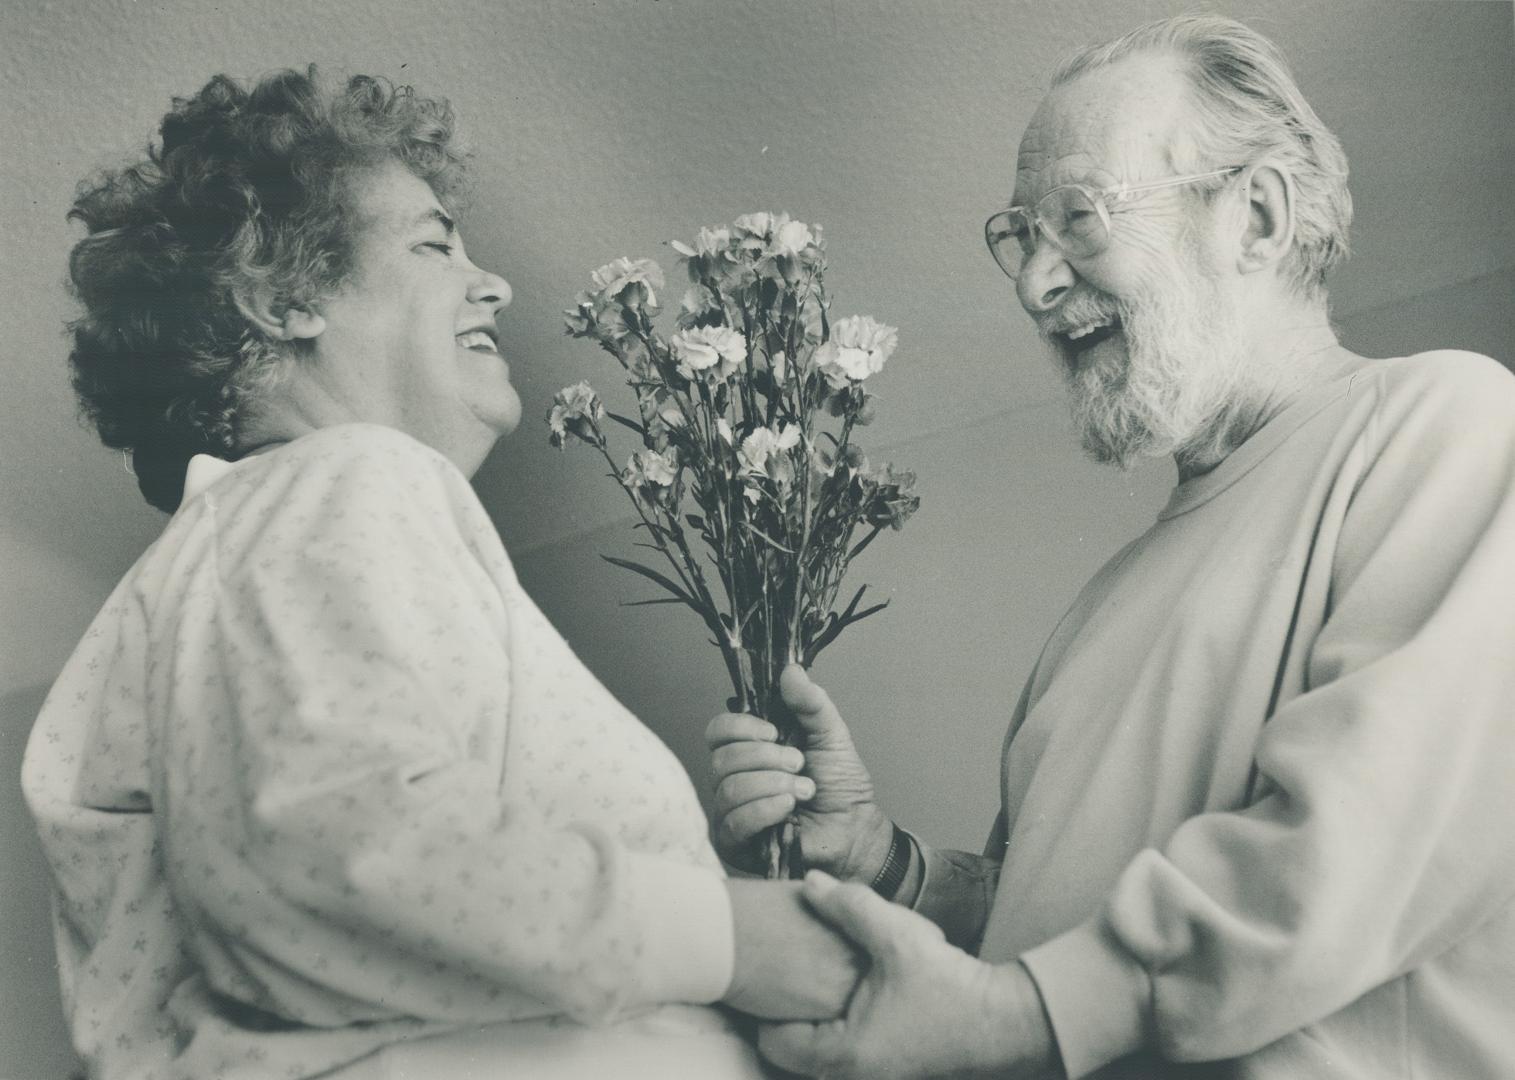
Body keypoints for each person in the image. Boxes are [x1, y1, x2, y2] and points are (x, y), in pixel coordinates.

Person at [708, 13, 1515, 1080]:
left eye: (1079, 219)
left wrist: (1010, 1015)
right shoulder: (1103, 604)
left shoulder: (1450, 421)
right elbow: (1058, 933)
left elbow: (1364, 848)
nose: (1033, 286)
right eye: (1019, 236)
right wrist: (888, 865)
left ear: (1257, 217)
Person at [22, 67, 858, 1080]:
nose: (494, 283)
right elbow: (330, 857)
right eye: (434, 243)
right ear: (282, 298)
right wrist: (737, 940)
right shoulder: (339, 478)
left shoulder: (244, 543)